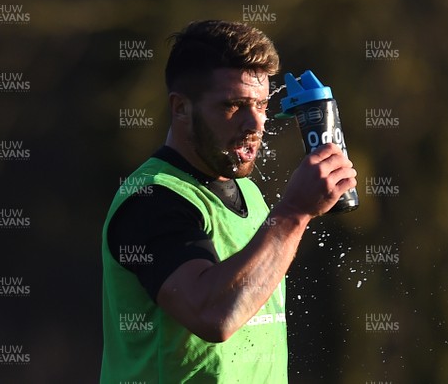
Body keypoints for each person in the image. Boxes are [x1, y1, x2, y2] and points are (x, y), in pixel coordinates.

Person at [100, 19, 357, 383]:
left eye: (262, 104)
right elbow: (213, 315)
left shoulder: (249, 192)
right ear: (181, 109)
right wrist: (293, 214)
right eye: (234, 105)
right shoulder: (152, 199)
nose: (256, 123)